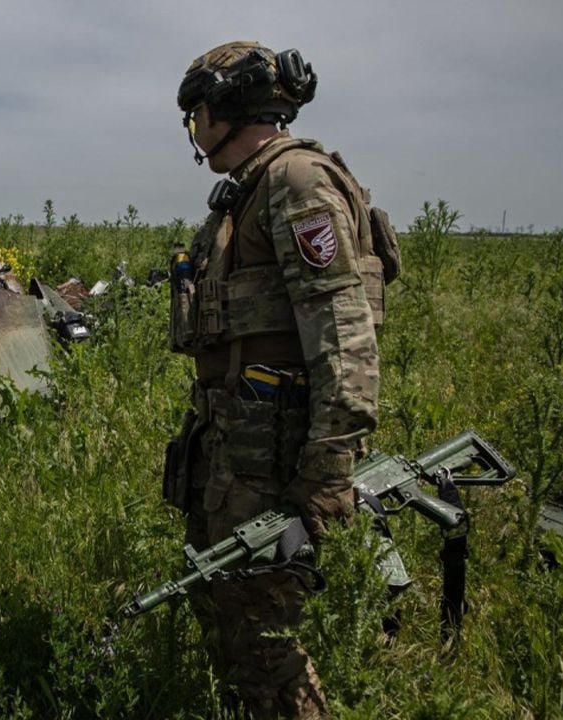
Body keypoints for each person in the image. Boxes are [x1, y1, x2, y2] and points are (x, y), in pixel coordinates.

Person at [163, 41, 395, 719]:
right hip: (236, 457)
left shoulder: (296, 184)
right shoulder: (251, 193)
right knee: (231, 621)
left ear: (221, 112)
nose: (194, 132)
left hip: (273, 465)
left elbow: (344, 337)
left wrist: (325, 475)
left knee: (263, 646)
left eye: (194, 116)